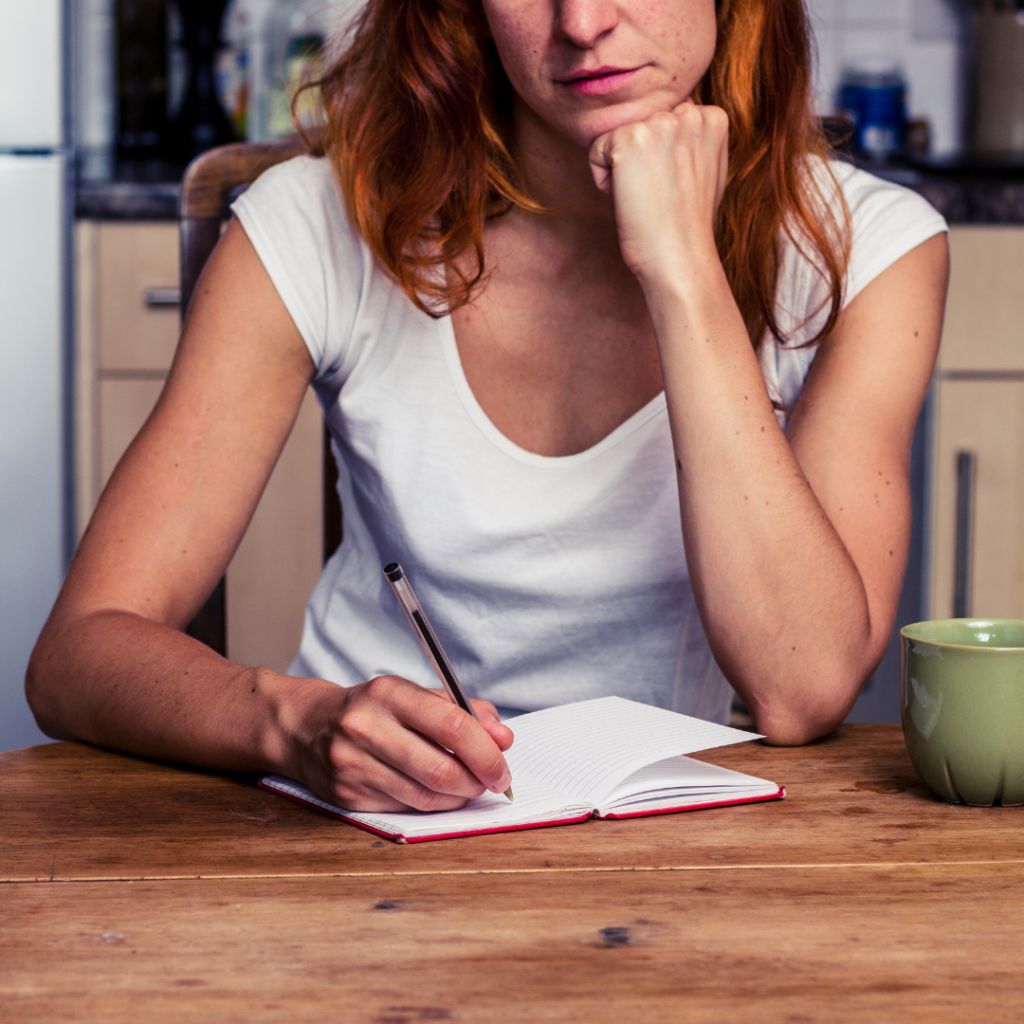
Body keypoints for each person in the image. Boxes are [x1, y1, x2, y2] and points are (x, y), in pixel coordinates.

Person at [27, 0, 949, 814]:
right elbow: (78, 653)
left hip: (657, 837)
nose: (582, 22)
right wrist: (301, 724)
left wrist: (681, 269)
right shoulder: (318, 220)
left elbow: (802, 687)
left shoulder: (864, 247)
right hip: (352, 832)